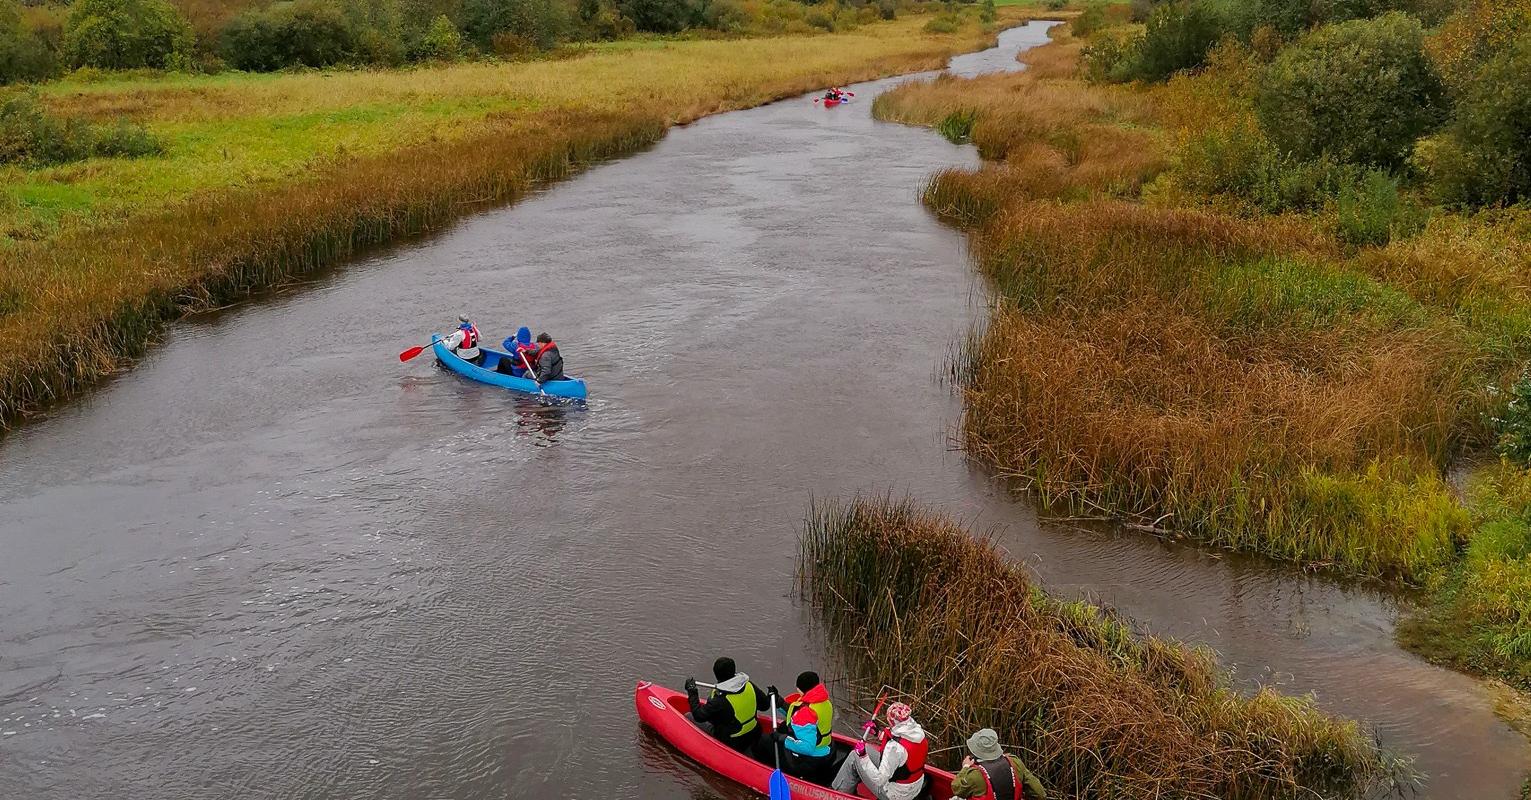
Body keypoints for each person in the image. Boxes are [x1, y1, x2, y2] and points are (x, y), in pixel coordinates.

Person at [831, 702, 928, 800]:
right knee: (866, 749)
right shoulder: (917, 733)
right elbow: (900, 743)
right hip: (914, 786)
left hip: (895, 795)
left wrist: (863, 756)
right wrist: (877, 732)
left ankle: (838, 795)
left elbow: (880, 779)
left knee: (855, 756)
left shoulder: (894, 748)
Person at [686, 657, 770, 754]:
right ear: (734, 671)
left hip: (734, 741)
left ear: (716, 675)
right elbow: (765, 706)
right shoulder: (749, 685)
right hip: (754, 733)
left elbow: (698, 716)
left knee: (689, 716)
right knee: (715, 707)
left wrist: (692, 692)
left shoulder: (720, 700)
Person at [772, 670, 836, 780]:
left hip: (811, 760)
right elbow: (798, 714)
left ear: (801, 689)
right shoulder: (824, 702)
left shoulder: (806, 711)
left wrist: (782, 738)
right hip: (828, 752)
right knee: (783, 729)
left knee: (768, 743)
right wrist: (779, 702)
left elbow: (807, 748)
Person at [950, 728, 1046, 800]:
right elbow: (1039, 793)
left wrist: (965, 767)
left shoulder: (974, 775)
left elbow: (957, 789)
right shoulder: (1015, 762)